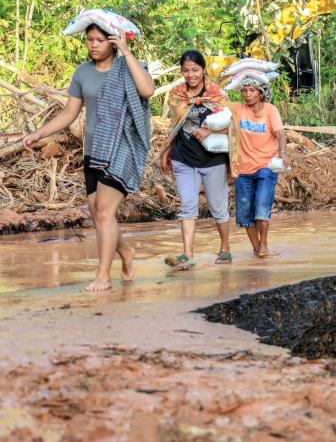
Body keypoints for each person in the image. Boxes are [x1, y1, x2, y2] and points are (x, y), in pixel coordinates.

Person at [21, 24, 154, 291]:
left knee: (104, 210)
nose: (93, 45)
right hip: (94, 150)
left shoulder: (129, 67)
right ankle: (126, 252)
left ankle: (103, 276)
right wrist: (38, 133)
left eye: (100, 40)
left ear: (113, 42)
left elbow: (147, 90)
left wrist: (127, 54)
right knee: (97, 214)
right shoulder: (82, 72)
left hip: (122, 149)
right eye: (89, 40)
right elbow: (69, 113)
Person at [159, 50, 232, 270]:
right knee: (187, 206)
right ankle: (187, 254)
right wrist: (167, 151)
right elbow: (176, 122)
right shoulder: (177, 93)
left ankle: (225, 248)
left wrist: (208, 131)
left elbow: (231, 122)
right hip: (184, 157)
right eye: (185, 70)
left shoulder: (216, 93)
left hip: (213, 159)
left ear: (203, 70)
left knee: (218, 207)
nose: (190, 75)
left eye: (195, 70)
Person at [227, 77, 290, 258]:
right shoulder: (238, 110)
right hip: (243, 169)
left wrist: (283, 152)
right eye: (244, 90)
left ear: (261, 93)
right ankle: (256, 248)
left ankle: (264, 244)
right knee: (244, 212)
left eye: (252, 90)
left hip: (266, 166)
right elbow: (219, 100)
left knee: (262, 206)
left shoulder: (270, 110)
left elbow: (280, 133)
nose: (247, 94)